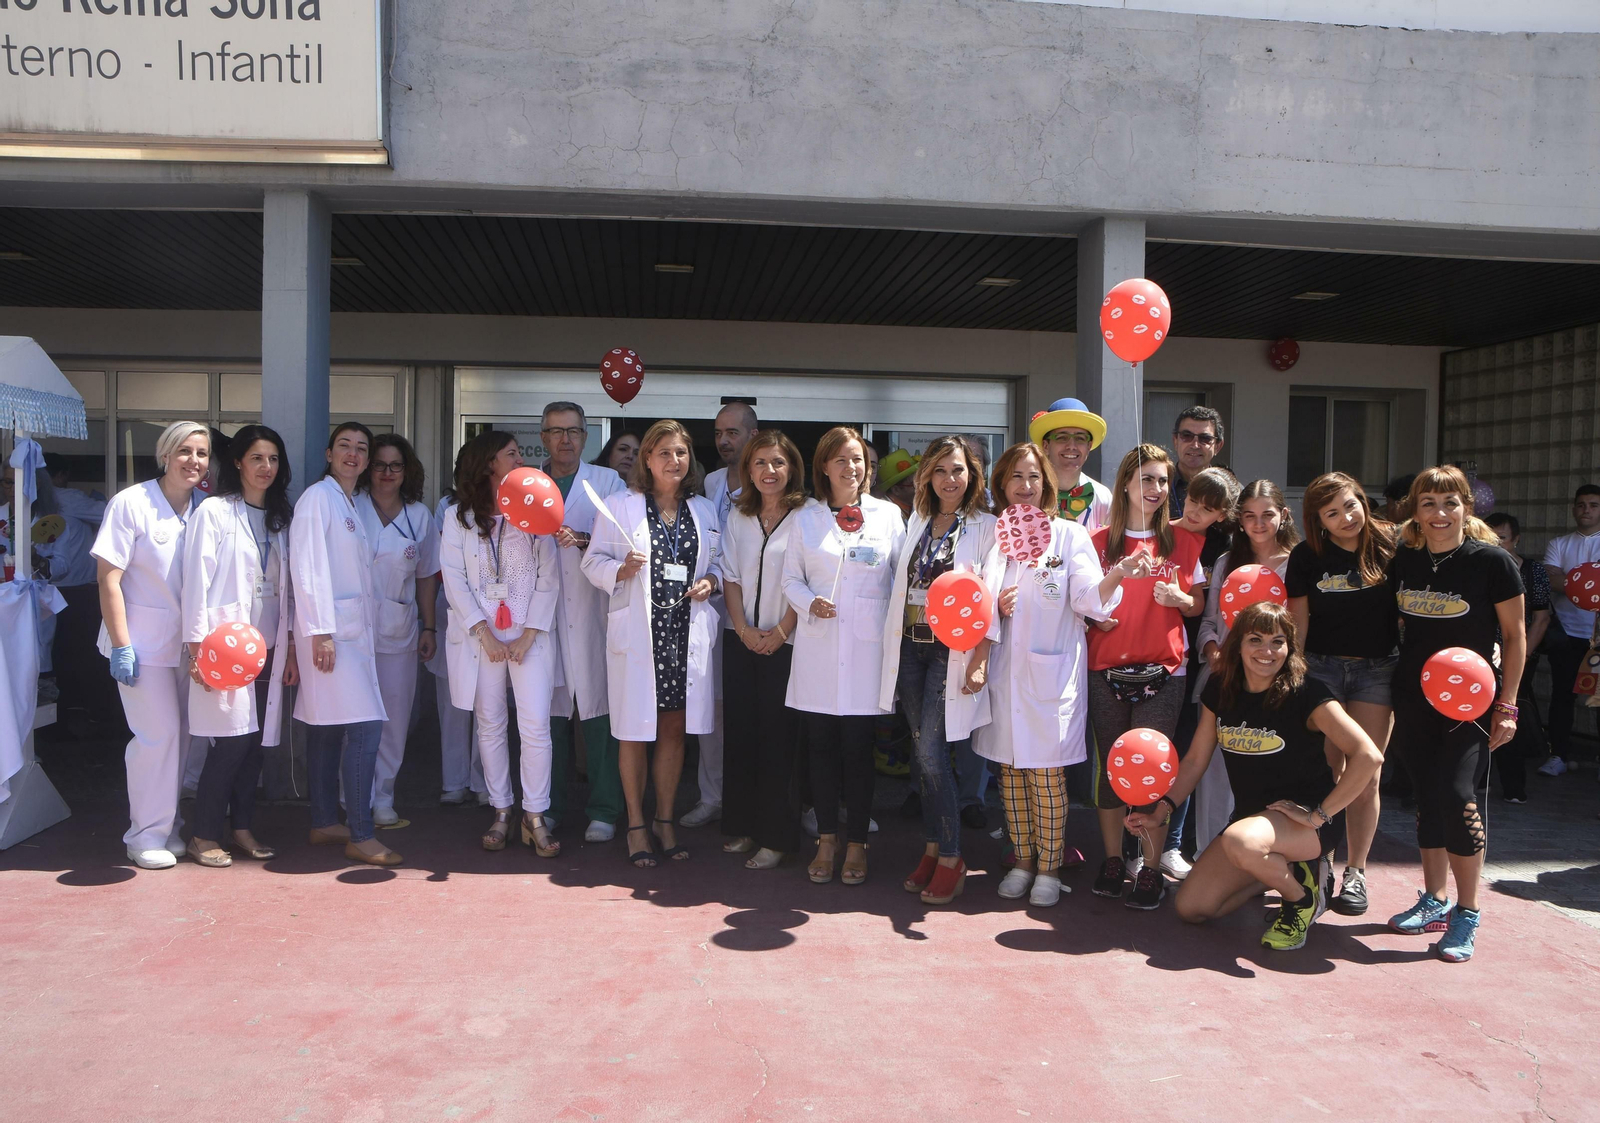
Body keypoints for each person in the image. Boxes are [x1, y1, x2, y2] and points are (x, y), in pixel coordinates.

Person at [1127, 602, 1384, 951]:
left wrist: (1320, 814)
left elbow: (1368, 756)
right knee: (1193, 907)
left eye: (1277, 641)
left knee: (1241, 842)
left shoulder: (1308, 693)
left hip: (1305, 823)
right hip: (1251, 822)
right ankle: (1286, 870)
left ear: (1289, 648)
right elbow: (1195, 761)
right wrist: (1163, 809)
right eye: (1255, 640)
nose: (1267, 651)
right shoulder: (1221, 689)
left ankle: (1301, 898)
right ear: (1239, 645)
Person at [974, 442, 1134, 907]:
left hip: (1051, 671)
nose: (1026, 487)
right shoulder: (994, 536)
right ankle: (1021, 859)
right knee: (1009, 773)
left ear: (1046, 485)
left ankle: (1049, 865)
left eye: (1034, 478)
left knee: (1045, 776)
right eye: (1016, 478)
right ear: (1001, 485)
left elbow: (1088, 598)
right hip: (1005, 673)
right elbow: (974, 598)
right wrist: (993, 606)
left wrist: (1118, 573)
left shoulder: (1067, 535)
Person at [1386, 466, 1524, 962]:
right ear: (1416, 512)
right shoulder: (1405, 560)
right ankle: (1434, 899)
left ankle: (1467, 912)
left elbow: (1514, 637)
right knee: (1427, 795)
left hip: (1471, 702)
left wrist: (1507, 706)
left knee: (1458, 794)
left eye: (1450, 503)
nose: (1440, 514)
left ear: (1467, 507)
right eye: (1428, 504)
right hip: (1413, 697)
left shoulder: (1492, 562)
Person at [583, 420, 722, 868]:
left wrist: (711, 581)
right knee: (632, 732)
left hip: (684, 634)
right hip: (640, 637)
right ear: (646, 458)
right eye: (663, 453)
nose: (673, 461)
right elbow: (592, 561)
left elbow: (720, 564)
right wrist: (618, 571)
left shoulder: (702, 510)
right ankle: (637, 825)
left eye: (681, 453)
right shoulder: (620, 505)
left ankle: (665, 820)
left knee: (673, 731)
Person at [783, 427, 906, 885]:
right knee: (820, 749)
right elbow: (789, 579)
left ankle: (858, 844)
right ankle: (827, 840)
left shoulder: (888, 516)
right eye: (840, 460)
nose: (850, 468)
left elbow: (898, 581)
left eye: (857, 459)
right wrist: (808, 602)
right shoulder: (806, 518)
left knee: (858, 751)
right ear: (823, 468)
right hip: (817, 649)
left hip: (864, 653)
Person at [1086, 444, 1206, 910]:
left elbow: (1197, 604)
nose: (1156, 489)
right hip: (1106, 668)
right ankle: (1116, 859)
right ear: (1126, 484)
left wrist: (1180, 598)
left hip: (1165, 669)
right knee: (1112, 770)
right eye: (1147, 479)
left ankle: (1151, 868)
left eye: (1162, 481)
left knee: (1154, 769)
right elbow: (1084, 604)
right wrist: (1097, 617)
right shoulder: (1097, 541)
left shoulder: (1185, 541)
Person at [880, 436, 998, 904]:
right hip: (910, 648)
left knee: (931, 754)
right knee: (920, 751)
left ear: (972, 476)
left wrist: (982, 661)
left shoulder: (986, 527)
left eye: (959, 470)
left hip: (951, 654)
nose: (950, 479)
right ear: (926, 475)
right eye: (941, 470)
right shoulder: (918, 521)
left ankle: (951, 856)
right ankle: (932, 846)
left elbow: (990, 600)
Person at [440, 429, 563, 857]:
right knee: (490, 725)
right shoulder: (458, 517)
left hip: (529, 636)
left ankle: (535, 816)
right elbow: (453, 579)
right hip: (483, 641)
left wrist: (530, 632)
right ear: (489, 463)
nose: (520, 460)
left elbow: (550, 574)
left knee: (535, 727)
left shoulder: (533, 511)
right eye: (512, 454)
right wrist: (483, 631)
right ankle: (502, 810)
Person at [93, 421, 210, 870]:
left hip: (188, 646)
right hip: (141, 645)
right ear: (164, 455)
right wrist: (122, 645)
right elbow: (109, 578)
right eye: (184, 451)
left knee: (181, 739)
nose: (193, 461)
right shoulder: (132, 503)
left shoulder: (205, 508)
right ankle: (143, 835)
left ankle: (168, 825)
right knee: (156, 736)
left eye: (201, 453)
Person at [179, 425, 296, 867]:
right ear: (237, 463)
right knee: (229, 742)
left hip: (267, 646)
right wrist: (196, 651)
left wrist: (287, 644)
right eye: (257, 459)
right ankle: (204, 834)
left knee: (254, 745)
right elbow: (196, 583)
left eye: (273, 460)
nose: (266, 468)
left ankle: (242, 828)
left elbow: (288, 589)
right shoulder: (213, 512)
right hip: (223, 649)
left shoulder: (279, 518)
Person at [1286, 472, 1398, 916]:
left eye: (1351, 505)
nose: (1346, 517)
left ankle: (1357, 872)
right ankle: (1324, 862)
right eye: (1332, 513)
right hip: (1324, 668)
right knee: (1328, 768)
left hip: (1379, 670)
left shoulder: (1390, 547)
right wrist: (1296, 674)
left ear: (1363, 503)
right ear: (1319, 521)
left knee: (1367, 772)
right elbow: (1299, 619)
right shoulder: (1306, 556)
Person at [290, 422, 399, 867]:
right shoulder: (318, 498)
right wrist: (320, 632)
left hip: (345, 631)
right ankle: (360, 833)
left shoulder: (349, 501)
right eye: (344, 447)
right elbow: (308, 566)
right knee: (365, 727)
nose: (353, 454)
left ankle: (322, 821)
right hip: (331, 635)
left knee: (329, 729)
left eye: (361, 448)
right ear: (329, 452)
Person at [1191, 480, 1301, 853]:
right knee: (1216, 778)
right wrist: (1212, 652)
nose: (1258, 524)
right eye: (1249, 516)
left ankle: (1272, 860)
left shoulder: (1299, 562)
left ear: (1283, 516)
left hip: (1279, 688)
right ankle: (1212, 857)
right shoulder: (1226, 562)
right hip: (1227, 684)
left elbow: (1302, 628)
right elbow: (1207, 624)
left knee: (1276, 776)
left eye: (1267, 515)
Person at [539, 402, 628, 843]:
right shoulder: (527, 486)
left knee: (599, 711)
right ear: (543, 438)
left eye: (573, 431)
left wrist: (586, 540)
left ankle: (605, 809)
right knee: (546, 715)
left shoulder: (607, 481)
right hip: (541, 614)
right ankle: (547, 807)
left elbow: (622, 540)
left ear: (585, 437)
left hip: (594, 610)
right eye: (556, 432)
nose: (565, 440)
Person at [720, 430, 807, 869]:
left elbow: (808, 578)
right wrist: (740, 628)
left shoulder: (808, 515)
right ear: (747, 469)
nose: (768, 472)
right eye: (759, 463)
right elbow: (729, 576)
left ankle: (776, 836)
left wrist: (781, 631)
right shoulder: (738, 514)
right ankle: (746, 826)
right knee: (742, 736)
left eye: (777, 462)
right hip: (742, 640)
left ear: (792, 466)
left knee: (779, 742)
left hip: (787, 643)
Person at [355, 434, 440, 828]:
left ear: (407, 471)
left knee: (394, 718)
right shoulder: (348, 506)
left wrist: (429, 626)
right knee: (353, 716)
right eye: (379, 464)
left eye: (396, 466)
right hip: (351, 629)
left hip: (399, 627)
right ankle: (353, 794)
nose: (387, 473)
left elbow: (426, 578)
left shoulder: (419, 516)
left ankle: (383, 795)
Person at [683, 403, 760, 829]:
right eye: (718, 434)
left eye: (732, 432)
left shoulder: (770, 479)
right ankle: (711, 796)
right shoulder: (709, 482)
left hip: (759, 616)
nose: (724, 441)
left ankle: (760, 800)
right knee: (709, 711)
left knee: (758, 712)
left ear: (752, 433)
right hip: (711, 613)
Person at [1163, 465, 1240, 877]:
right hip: (1166, 655)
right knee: (1166, 751)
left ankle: (1179, 843)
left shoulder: (1228, 551)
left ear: (1222, 514)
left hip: (1207, 660)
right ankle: (1140, 843)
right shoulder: (1161, 530)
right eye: (1192, 500)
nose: (1195, 511)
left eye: (1208, 507)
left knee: (1192, 753)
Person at [429, 445, 486, 807]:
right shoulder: (448, 509)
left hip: (496, 619)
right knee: (452, 705)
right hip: (452, 609)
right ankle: (454, 780)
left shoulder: (505, 506)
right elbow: (442, 565)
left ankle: (483, 782)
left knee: (487, 706)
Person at [1485, 512, 1551, 804]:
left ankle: (1514, 786)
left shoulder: (1532, 570)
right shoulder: (1480, 565)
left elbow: (1540, 617)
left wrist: (1521, 656)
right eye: (1492, 537)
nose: (1497, 543)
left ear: (1516, 539)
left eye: (1503, 537)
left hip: (1518, 652)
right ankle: (1477, 780)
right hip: (1484, 654)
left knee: (1510, 713)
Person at [1539, 484, 1600, 777]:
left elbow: (1565, 581)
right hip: (1566, 632)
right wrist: (1589, 586)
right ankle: (1558, 755)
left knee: (1599, 699)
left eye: (1593, 505)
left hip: (1598, 636)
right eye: (1581, 504)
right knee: (1562, 695)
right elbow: (1551, 580)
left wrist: (1571, 581)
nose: (1586, 510)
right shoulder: (1559, 543)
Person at [1027, 397, 1111, 530]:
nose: (1071, 446)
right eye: (1062, 437)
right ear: (1046, 445)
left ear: (1088, 446)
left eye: (1080, 438)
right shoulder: (1028, 493)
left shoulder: (1103, 498)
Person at [1167, 405, 1225, 520]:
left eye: (1205, 438)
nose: (1195, 445)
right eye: (1186, 436)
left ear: (1218, 446)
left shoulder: (1230, 492)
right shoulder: (1158, 486)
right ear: (1175, 441)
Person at [876, 448, 920, 518]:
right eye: (914, 484)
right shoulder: (882, 514)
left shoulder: (916, 508)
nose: (920, 487)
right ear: (896, 490)